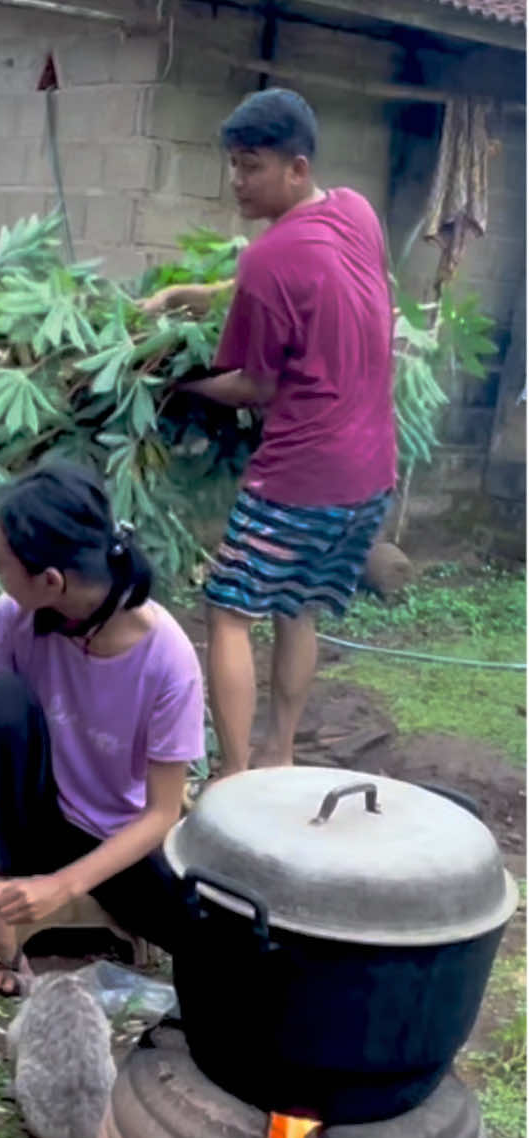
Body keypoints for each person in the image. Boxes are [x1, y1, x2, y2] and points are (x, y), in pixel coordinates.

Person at [144, 89, 396, 777]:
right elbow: (290, 283)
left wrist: (173, 385)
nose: (237, 181)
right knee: (297, 604)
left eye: (251, 166)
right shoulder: (355, 212)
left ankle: (233, 775)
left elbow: (255, 387)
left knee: (228, 609)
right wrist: (182, 296)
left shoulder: (269, 259)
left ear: (296, 167)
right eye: (233, 165)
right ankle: (278, 752)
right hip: (373, 474)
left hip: (302, 477)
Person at [0, 462, 205, 995]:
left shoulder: (167, 659)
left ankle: (21, 903)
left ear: (51, 581)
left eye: (1, 565)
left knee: (210, 936)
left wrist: (64, 886)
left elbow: (162, 814)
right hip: (23, 821)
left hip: (110, 837)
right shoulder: (9, 619)